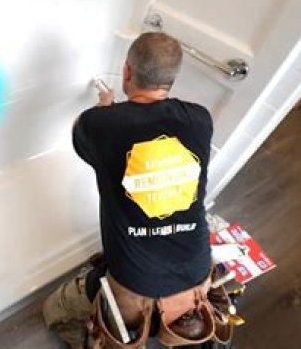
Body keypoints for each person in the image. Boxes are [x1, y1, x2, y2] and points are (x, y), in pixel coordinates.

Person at [43, 32, 214, 348]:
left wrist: (104, 110)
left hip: (135, 289)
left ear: (126, 71)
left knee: (54, 310)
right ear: (171, 80)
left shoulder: (99, 125)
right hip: (198, 277)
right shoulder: (201, 119)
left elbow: (82, 136)